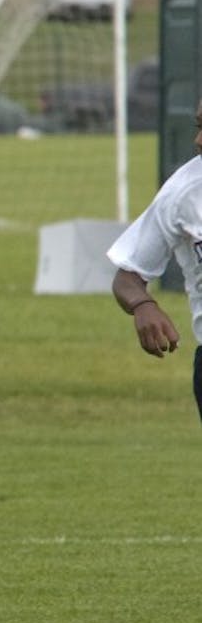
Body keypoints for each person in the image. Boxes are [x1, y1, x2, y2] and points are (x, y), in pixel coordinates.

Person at [107, 100, 202, 420]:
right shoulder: (183, 193)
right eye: (199, 127)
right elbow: (128, 274)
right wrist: (142, 305)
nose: (198, 141)